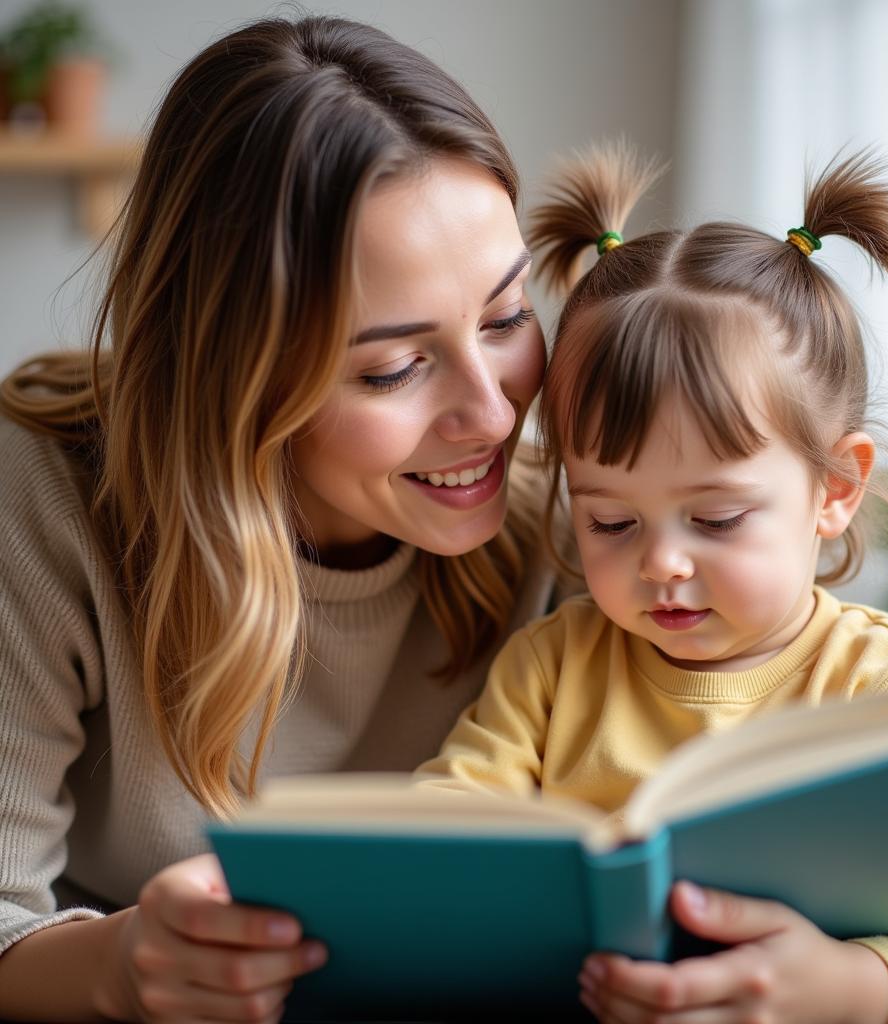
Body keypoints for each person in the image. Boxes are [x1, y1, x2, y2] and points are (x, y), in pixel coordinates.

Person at [0, 15, 564, 1024]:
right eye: (393, 367)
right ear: (234, 377)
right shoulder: (39, 500)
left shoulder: (577, 521)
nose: (493, 412)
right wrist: (120, 964)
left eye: (508, 316)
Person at [416, 146, 888, 1023]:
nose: (662, 564)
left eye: (718, 519)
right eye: (610, 521)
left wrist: (848, 990)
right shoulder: (551, 664)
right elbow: (451, 816)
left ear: (834, 490)